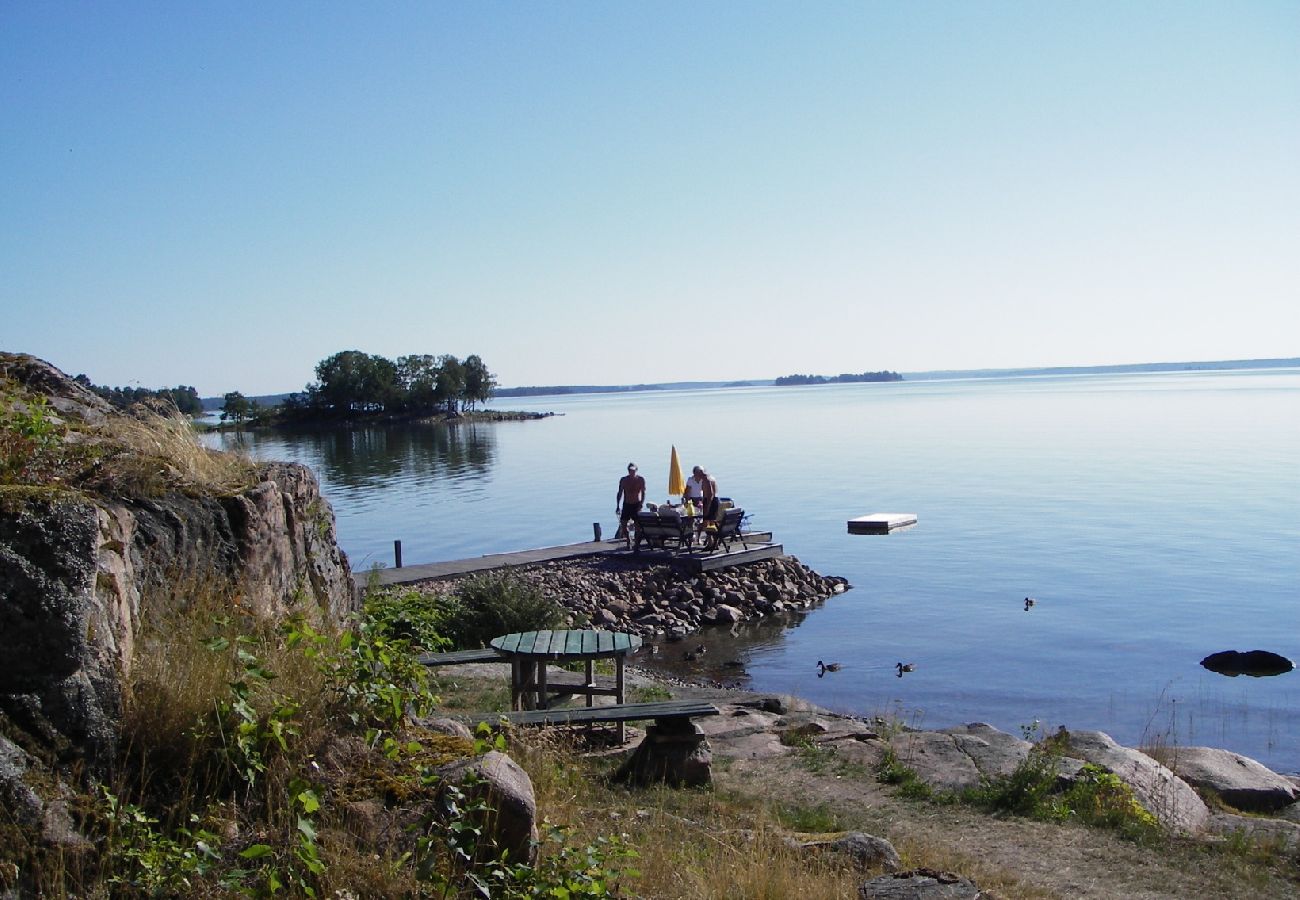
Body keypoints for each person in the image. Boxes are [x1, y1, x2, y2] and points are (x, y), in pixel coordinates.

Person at [614, 462, 646, 546]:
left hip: (636, 504)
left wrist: (641, 504)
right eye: (630, 470)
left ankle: (636, 543)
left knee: (637, 526)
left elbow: (643, 492)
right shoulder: (624, 480)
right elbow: (620, 492)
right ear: (628, 471)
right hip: (627, 504)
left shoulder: (640, 480)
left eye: (633, 470)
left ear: (636, 470)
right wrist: (617, 505)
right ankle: (628, 540)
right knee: (623, 525)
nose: (632, 472)